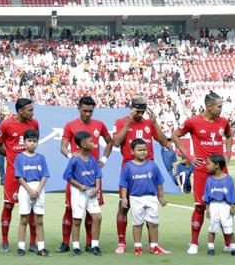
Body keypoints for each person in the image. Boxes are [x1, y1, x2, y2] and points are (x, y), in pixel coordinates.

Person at [104, 96, 168, 254]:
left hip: (149, 168)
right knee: (124, 205)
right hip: (129, 167)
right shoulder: (120, 121)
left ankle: (153, 244)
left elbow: (163, 141)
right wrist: (128, 122)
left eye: (142, 111)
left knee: (149, 205)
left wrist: (154, 123)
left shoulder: (148, 123)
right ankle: (121, 242)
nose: (140, 114)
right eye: (137, 110)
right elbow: (117, 142)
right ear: (131, 107)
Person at [172, 91, 233, 255]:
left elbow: (229, 136)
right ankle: (194, 243)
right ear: (209, 106)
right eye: (219, 106)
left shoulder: (224, 122)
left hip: (222, 171)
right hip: (202, 171)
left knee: (225, 206)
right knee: (199, 207)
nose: (221, 109)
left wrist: (228, 155)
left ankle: (229, 243)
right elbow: (175, 136)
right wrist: (189, 156)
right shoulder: (193, 122)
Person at [58, 96, 113, 253]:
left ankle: (90, 244)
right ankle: (65, 242)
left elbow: (110, 141)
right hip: (77, 176)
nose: (88, 114)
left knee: (92, 212)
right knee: (70, 209)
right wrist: (71, 156)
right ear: (79, 108)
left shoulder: (99, 125)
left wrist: (103, 158)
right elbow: (63, 146)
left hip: (93, 174)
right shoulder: (70, 125)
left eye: (90, 111)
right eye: (85, 111)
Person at [0, 98, 39, 253]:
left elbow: (34, 143)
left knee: (33, 208)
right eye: (30, 110)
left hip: (31, 173)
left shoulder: (34, 123)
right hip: (13, 173)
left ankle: (33, 242)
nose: (32, 113)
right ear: (20, 111)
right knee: (8, 205)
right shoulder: (6, 124)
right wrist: (10, 155)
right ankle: (5, 241)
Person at [119, 139, 168, 256]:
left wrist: (161, 197)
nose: (142, 152)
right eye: (139, 150)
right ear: (132, 151)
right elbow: (124, 184)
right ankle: (138, 247)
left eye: (144, 150)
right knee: (137, 223)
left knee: (153, 223)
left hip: (151, 197)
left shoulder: (152, 165)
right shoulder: (128, 166)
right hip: (135, 198)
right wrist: (124, 198)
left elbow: (159, 182)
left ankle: (154, 246)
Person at [63, 131, 103, 256]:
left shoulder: (92, 158)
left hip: (92, 191)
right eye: (91, 141)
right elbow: (67, 177)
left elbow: (97, 174)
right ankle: (75, 247)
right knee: (77, 219)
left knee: (97, 217)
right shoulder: (74, 159)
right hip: (78, 192)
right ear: (83, 144)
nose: (94, 143)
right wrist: (79, 186)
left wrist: (97, 188)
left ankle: (95, 245)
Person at [14, 129, 50, 257]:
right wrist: (30, 190)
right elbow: (19, 176)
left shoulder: (41, 158)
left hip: (38, 189)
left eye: (34, 141)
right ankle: (21, 247)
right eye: (29, 141)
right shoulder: (19, 157)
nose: (32, 143)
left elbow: (45, 176)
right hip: (25, 189)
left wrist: (38, 190)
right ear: (24, 142)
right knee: (24, 219)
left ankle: (41, 248)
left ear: (37, 142)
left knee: (39, 220)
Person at [203, 155, 235, 256]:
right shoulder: (209, 180)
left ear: (217, 165)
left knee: (229, 228)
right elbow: (207, 194)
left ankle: (233, 248)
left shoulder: (228, 179)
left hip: (225, 206)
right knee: (212, 228)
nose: (206, 166)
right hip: (213, 206)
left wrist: (233, 205)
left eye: (208, 164)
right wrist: (207, 208)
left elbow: (232, 193)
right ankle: (210, 248)